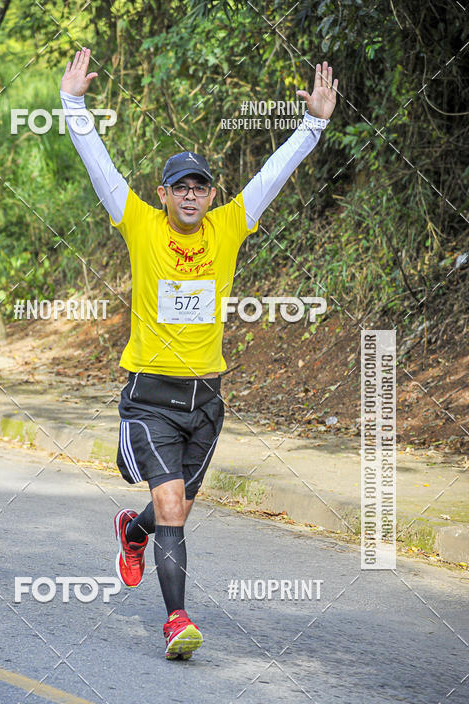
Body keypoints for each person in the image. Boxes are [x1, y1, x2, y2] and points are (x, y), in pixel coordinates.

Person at [60, 48, 338, 660]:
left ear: (211, 196)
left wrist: (313, 124)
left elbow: (271, 175)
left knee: (174, 509)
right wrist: (73, 105)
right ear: (162, 194)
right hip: (152, 397)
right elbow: (99, 166)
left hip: (206, 401)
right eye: (180, 186)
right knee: (171, 506)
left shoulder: (230, 227)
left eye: (201, 186)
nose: (191, 195)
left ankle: (132, 533)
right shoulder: (138, 223)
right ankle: (177, 619)